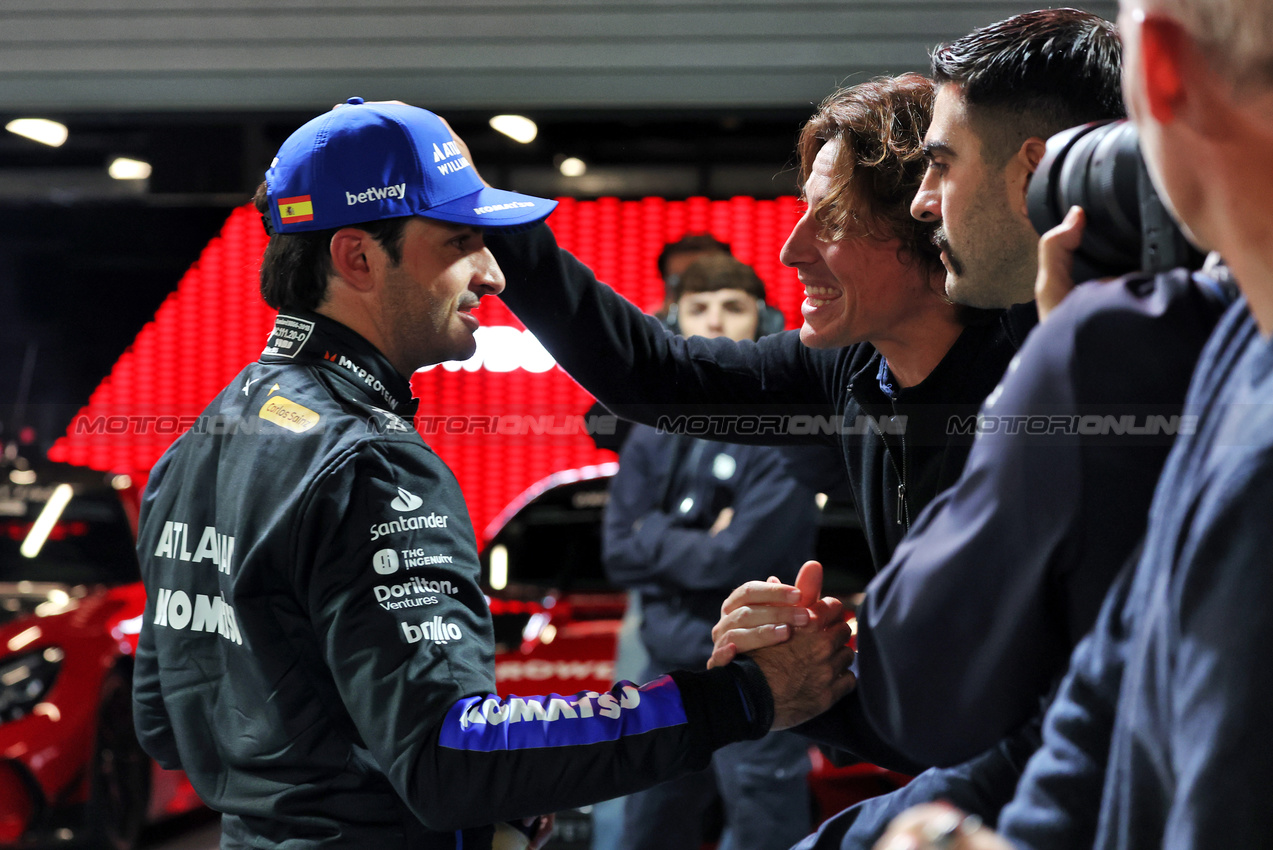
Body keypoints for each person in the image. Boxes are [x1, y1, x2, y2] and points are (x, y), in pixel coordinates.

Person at [129, 98, 855, 850]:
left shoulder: (201, 439)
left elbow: (169, 725)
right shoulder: (371, 460)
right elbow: (452, 760)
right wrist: (744, 696)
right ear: (357, 258)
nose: (491, 274)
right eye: (461, 242)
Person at [874, 0, 1273, 846]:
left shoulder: (1120, 349)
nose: (920, 204)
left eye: (939, 165)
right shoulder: (1237, 336)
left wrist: (1056, 375)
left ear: (1160, 66)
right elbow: (1110, 688)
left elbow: (918, 681)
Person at [603, 255, 820, 850]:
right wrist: (704, 541)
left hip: (761, 669)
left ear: (764, 319)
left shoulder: (787, 428)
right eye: (700, 309)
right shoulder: (652, 429)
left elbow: (737, 561)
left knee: (764, 832)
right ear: (674, 320)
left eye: (733, 308)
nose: (716, 322)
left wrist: (658, 535)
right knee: (645, 831)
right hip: (665, 668)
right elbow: (618, 549)